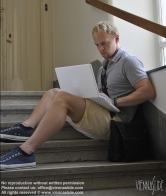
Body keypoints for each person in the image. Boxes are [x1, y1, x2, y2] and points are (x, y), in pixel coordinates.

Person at [0, 21, 155, 170]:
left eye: (104, 43)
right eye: (97, 45)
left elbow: (148, 91)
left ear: (117, 38)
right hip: (104, 114)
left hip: (118, 123)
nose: (101, 48)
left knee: (62, 98)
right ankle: (26, 128)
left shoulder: (128, 61)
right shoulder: (103, 68)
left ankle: (26, 151)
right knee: (53, 92)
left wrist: (116, 101)